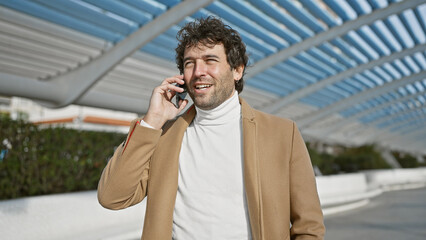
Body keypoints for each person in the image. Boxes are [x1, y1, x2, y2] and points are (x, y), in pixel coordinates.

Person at [98, 16, 325, 240]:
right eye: (190, 63)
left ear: (237, 70)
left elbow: (309, 227)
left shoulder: (282, 134)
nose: (198, 72)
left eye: (210, 60)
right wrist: (152, 121)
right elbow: (112, 197)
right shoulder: (163, 135)